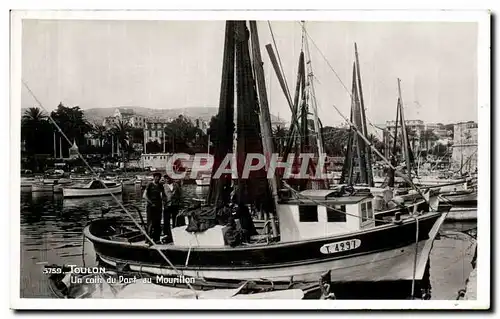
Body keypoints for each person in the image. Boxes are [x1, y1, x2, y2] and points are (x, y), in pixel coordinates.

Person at [143, 172, 166, 243]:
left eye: (158, 177)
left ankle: (157, 239)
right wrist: (151, 203)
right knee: (150, 223)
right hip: (151, 207)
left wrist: (165, 202)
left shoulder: (160, 185)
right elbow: (144, 196)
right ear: (154, 177)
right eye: (156, 177)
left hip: (158, 207)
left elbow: (163, 196)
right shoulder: (150, 184)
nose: (157, 178)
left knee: (158, 223)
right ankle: (148, 240)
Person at [163, 175, 183, 243]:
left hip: (175, 205)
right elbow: (161, 196)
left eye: (168, 178)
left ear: (171, 178)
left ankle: (175, 232)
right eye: (166, 178)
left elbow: (180, 194)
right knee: (166, 220)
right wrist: (164, 201)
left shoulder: (176, 185)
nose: (167, 180)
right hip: (167, 205)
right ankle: (167, 234)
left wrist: (179, 202)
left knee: (175, 219)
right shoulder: (163, 186)